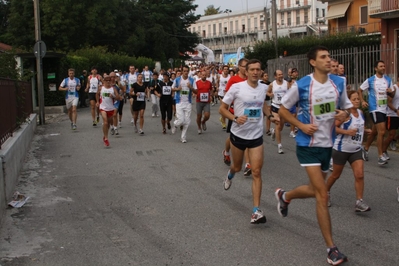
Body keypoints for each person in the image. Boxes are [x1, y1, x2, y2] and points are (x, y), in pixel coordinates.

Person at [276, 46, 352, 265]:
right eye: (323, 57)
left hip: (327, 145)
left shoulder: (338, 83)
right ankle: (332, 249)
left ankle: (285, 195)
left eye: (329, 56)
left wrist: (344, 114)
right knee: (322, 194)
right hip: (306, 144)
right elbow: (282, 110)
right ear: (313, 62)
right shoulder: (302, 85)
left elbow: (347, 109)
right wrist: (300, 125)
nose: (329, 60)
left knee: (315, 188)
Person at [220, 59, 274, 224]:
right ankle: (230, 175)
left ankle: (256, 210)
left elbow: (263, 106)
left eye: (258, 69)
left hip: (256, 136)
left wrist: (271, 115)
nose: (255, 72)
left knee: (256, 172)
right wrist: (235, 118)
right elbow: (222, 108)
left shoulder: (264, 87)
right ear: (247, 71)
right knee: (236, 167)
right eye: (252, 69)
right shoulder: (237, 88)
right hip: (239, 135)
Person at [326, 90, 372, 212]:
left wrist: (366, 131)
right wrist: (347, 132)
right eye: (354, 99)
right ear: (348, 101)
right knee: (336, 175)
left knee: (360, 175)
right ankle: (325, 191)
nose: (357, 101)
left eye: (358, 99)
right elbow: (333, 128)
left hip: (356, 150)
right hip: (341, 149)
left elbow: (359, 127)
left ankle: (359, 201)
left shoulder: (361, 113)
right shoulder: (345, 115)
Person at [358, 60, 394, 165]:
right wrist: (362, 101)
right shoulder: (370, 80)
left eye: (384, 66)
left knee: (375, 132)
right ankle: (380, 156)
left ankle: (365, 148)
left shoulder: (388, 79)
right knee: (382, 132)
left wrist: (390, 92)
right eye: (381, 66)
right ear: (376, 68)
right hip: (375, 108)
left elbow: (392, 94)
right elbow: (360, 90)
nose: (383, 68)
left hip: (384, 109)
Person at [222, 58, 249, 170]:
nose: (246, 68)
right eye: (244, 66)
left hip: (248, 113)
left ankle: (248, 164)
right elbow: (227, 96)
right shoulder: (233, 80)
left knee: (248, 137)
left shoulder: (250, 79)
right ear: (239, 66)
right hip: (235, 113)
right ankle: (226, 151)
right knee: (232, 137)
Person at [171, 65, 196, 143]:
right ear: (182, 71)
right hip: (179, 102)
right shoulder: (177, 80)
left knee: (187, 121)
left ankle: (183, 137)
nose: (185, 72)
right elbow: (172, 88)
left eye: (187, 71)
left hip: (188, 103)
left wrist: (191, 87)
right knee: (181, 120)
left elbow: (196, 91)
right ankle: (175, 124)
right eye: (184, 71)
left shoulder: (192, 80)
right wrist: (177, 89)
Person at [267, 69, 288, 154]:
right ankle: (279, 146)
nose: (281, 76)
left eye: (281, 74)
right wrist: (270, 94)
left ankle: (274, 131)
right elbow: (267, 92)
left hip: (283, 107)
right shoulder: (272, 84)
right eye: (279, 75)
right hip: (275, 106)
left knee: (280, 127)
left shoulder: (286, 83)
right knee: (278, 123)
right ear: (275, 76)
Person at [96, 75, 119, 146]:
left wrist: (113, 96)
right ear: (104, 81)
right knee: (105, 122)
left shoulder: (113, 89)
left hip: (111, 108)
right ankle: (106, 138)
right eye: (107, 80)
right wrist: (97, 102)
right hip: (103, 108)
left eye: (109, 80)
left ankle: (105, 135)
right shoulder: (101, 88)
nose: (108, 82)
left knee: (108, 124)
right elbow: (97, 94)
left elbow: (118, 97)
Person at [193, 70, 213, 134]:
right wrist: (194, 94)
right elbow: (195, 90)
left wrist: (211, 96)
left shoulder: (209, 83)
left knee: (207, 115)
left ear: (206, 76)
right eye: (203, 75)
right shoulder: (197, 83)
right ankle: (199, 127)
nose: (204, 76)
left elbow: (211, 90)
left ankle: (203, 121)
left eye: (205, 75)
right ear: (200, 75)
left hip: (206, 101)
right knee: (199, 116)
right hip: (199, 101)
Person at [216, 65, 230, 130]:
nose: (226, 70)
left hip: (228, 94)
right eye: (225, 69)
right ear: (223, 70)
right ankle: (224, 123)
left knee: (226, 109)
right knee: (223, 108)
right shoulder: (220, 76)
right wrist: (217, 87)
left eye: (227, 69)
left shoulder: (230, 77)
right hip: (221, 93)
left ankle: (222, 118)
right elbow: (217, 82)